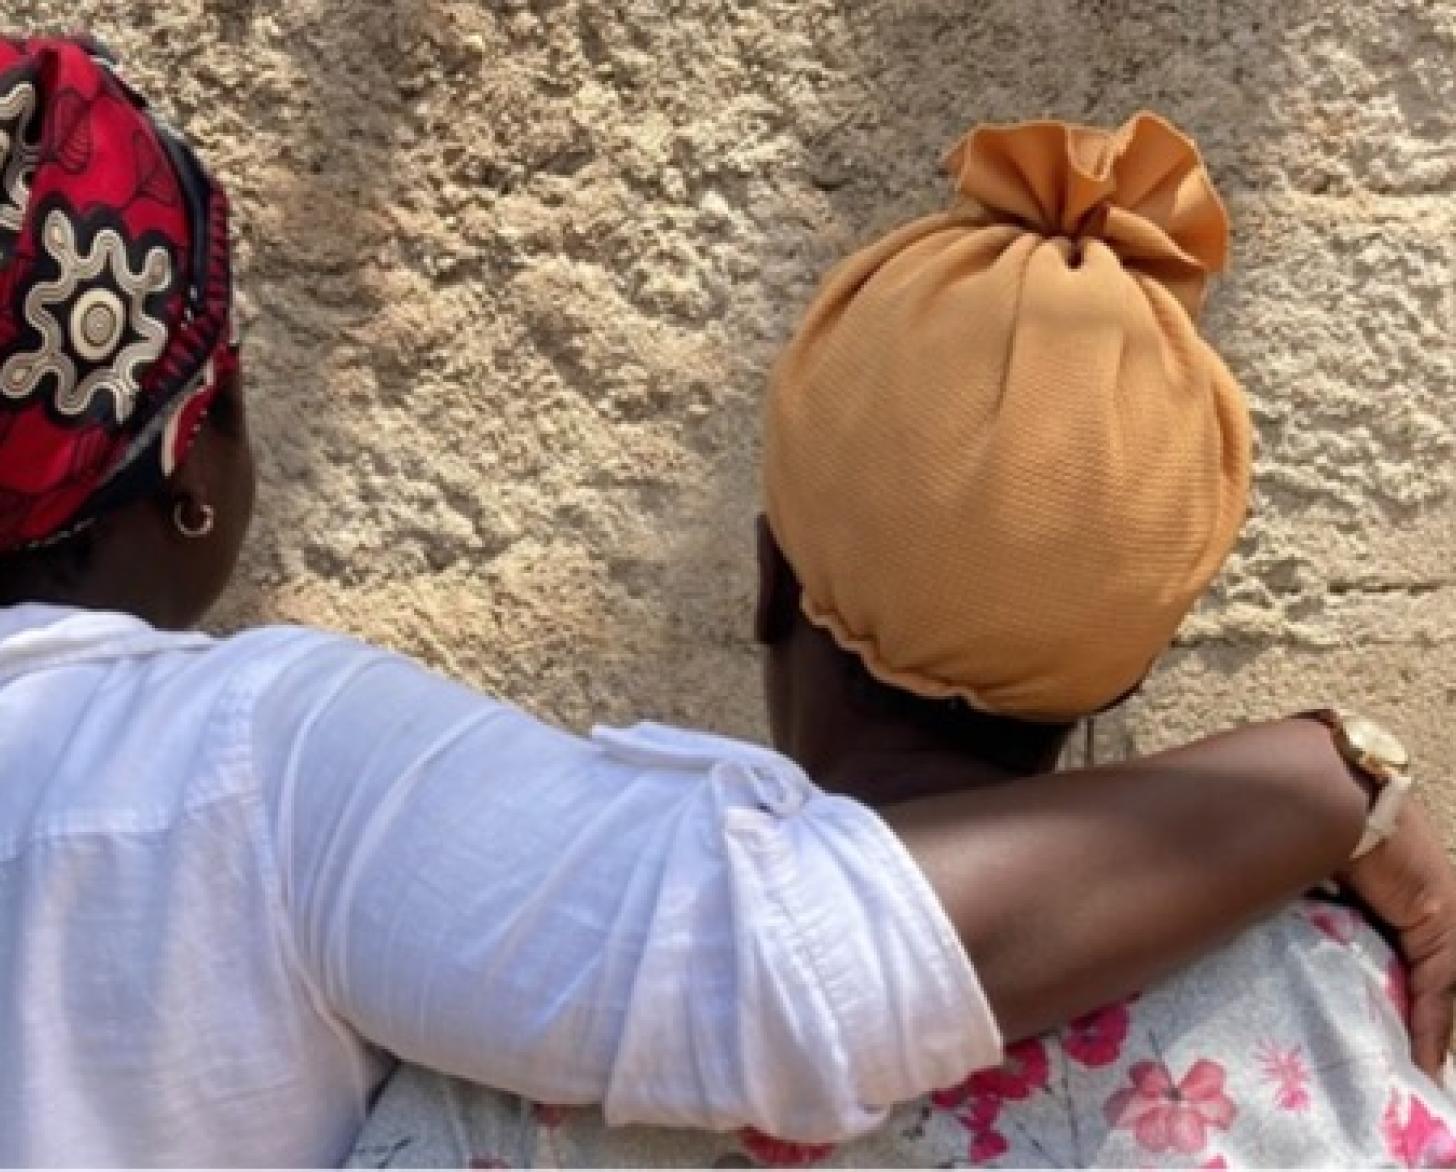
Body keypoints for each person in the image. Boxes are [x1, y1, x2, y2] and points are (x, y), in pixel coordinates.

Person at [0, 35, 1449, 1168]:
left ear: (767, 576)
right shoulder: (1348, 1019)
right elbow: (788, 971)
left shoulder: (503, 1100)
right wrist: (1339, 774)